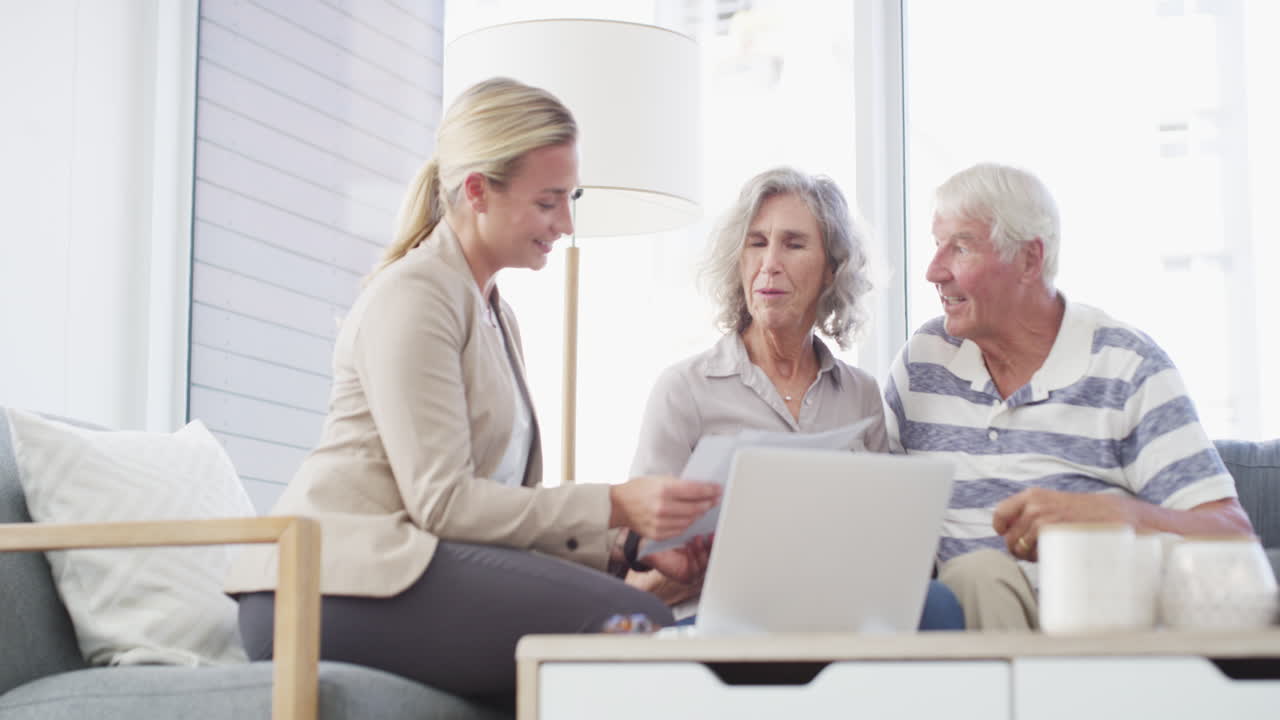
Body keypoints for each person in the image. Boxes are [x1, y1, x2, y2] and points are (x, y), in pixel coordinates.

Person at [223, 78, 722, 703]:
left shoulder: (492, 310)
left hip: (397, 573)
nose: (565, 223)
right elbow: (444, 504)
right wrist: (616, 505)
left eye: (570, 199)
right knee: (630, 623)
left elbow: (495, 508)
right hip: (322, 587)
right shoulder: (415, 295)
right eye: (548, 202)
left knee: (625, 616)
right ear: (479, 191)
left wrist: (628, 547)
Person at [885, 162, 1253, 630]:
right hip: (964, 630)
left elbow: (1233, 537)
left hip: (1097, 630)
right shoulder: (924, 363)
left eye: (960, 247)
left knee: (979, 573)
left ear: (1029, 260)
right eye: (937, 246)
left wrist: (1111, 515)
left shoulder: (1126, 365)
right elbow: (878, 512)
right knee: (977, 574)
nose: (934, 272)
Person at [630, 166, 965, 630]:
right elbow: (637, 576)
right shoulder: (684, 390)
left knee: (939, 602)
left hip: (833, 612)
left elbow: (885, 544)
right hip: (719, 621)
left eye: (793, 244)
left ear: (831, 269)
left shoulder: (861, 395)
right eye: (757, 243)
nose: (770, 263)